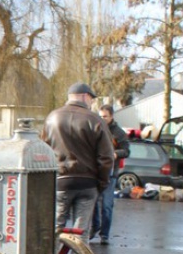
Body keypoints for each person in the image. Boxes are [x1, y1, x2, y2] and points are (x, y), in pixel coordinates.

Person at [40, 82, 115, 237]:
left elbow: (42, 150)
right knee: (81, 234)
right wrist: (102, 183)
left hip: (60, 180)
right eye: (91, 99)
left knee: (54, 230)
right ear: (85, 96)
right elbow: (106, 158)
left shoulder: (52, 117)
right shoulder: (96, 120)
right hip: (87, 183)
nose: (92, 102)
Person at [90, 103, 129, 245]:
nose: (102, 119)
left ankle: (104, 234)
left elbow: (126, 151)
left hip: (111, 175)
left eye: (105, 116)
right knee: (92, 202)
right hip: (95, 173)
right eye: (100, 116)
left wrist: (116, 154)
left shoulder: (119, 133)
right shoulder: (95, 129)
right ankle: (95, 227)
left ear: (111, 116)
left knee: (106, 205)